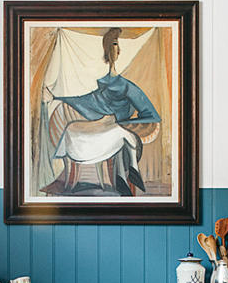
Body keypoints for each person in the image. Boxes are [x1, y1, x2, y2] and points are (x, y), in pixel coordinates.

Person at [40, 28, 161, 197]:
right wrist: (55, 97)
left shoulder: (127, 86)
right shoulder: (102, 85)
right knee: (88, 131)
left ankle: (126, 176)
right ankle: (126, 175)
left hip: (115, 128)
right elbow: (85, 100)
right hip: (102, 127)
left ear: (118, 51)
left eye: (116, 45)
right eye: (112, 45)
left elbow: (150, 114)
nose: (114, 49)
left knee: (122, 135)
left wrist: (123, 124)